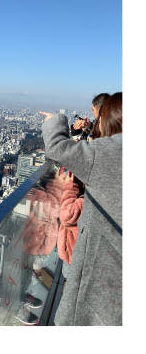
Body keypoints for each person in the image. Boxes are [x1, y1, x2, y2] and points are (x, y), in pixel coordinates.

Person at [39, 91, 122, 325]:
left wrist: (54, 121)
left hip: (100, 273)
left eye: (101, 117)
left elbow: (57, 148)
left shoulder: (111, 151)